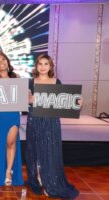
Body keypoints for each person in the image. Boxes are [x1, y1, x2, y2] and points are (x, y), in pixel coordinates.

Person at [26, 54, 79, 198]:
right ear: (36, 66)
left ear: (50, 67)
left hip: (51, 122)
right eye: (40, 64)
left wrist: (77, 102)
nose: (42, 67)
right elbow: (24, 103)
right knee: (36, 151)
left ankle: (51, 182)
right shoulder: (30, 82)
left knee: (50, 151)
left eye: (46, 64)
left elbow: (65, 101)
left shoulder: (56, 82)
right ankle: (38, 180)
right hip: (34, 121)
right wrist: (28, 100)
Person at [0, 51, 24, 186]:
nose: (1, 62)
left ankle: (8, 171)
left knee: (11, 142)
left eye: (3, 59)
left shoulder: (16, 78)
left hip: (12, 115)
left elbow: (21, 96)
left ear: (7, 62)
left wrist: (27, 97)